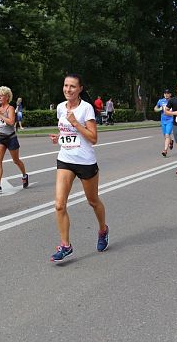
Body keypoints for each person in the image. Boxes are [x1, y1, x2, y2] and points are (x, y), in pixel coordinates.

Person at [48, 74, 109, 262]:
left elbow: (93, 138)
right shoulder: (60, 107)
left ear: (80, 89)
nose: (68, 89)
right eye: (66, 86)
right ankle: (65, 245)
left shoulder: (86, 108)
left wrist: (76, 123)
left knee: (93, 201)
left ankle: (102, 229)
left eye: (72, 86)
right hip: (65, 159)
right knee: (59, 205)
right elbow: (65, 129)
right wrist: (59, 137)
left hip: (85, 162)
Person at [0, 86, 29, 193]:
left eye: (2, 96)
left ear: (7, 97)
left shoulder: (10, 108)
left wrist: (1, 115)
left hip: (11, 138)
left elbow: (11, 122)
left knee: (16, 160)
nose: (0, 98)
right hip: (1, 137)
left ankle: (24, 175)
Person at [154, 89, 174, 157]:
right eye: (165, 93)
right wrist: (160, 109)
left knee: (167, 135)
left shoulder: (173, 101)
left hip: (170, 120)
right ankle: (171, 142)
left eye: (168, 93)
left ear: (170, 94)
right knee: (165, 136)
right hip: (163, 121)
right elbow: (155, 108)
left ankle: (165, 150)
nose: (166, 94)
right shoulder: (160, 101)